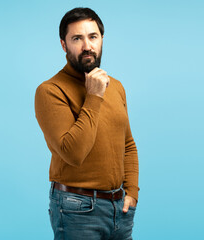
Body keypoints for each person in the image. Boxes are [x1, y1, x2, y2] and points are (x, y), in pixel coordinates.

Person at [35, 7, 139, 240]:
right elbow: (73, 153)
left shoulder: (116, 86)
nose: (87, 46)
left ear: (102, 39)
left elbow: (128, 145)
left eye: (93, 37)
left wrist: (131, 193)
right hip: (77, 209)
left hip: (119, 209)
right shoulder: (50, 91)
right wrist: (94, 96)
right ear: (63, 45)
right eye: (77, 38)